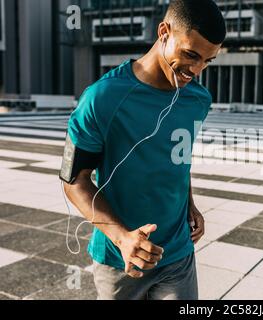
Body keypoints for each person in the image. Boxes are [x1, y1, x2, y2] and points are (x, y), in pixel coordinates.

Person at [60, 0, 226, 300]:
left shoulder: (198, 100)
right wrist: (123, 238)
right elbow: (73, 181)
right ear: (164, 31)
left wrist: (190, 204)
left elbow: (178, 160)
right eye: (190, 54)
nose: (197, 70)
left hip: (178, 254)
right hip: (119, 261)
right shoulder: (101, 98)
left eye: (208, 61)